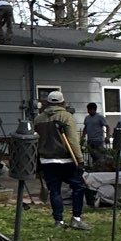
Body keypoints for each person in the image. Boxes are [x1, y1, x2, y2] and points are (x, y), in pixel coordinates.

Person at [35, 88, 88, 228]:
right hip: (66, 160)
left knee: (54, 190)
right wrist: (80, 159)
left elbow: (36, 141)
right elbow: (72, 140)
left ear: (47, 103)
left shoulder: (38, 119)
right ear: (63, 102)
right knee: (79, 187)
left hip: (46, 160)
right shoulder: (66, 117)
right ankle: (76, 219)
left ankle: (59, 221)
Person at [81, 102, 109, 166]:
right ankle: (95, 167)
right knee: (92, 155)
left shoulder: (100, 117)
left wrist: (107, 136)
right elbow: (85, 127)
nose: (88, 111)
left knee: (99, 156)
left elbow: (107, 127)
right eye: (88, 110)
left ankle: (100, 167)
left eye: (89, 110)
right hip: (90, 140)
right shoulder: (87, 118)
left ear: (94, 109)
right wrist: (83, 136)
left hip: (98, 140)